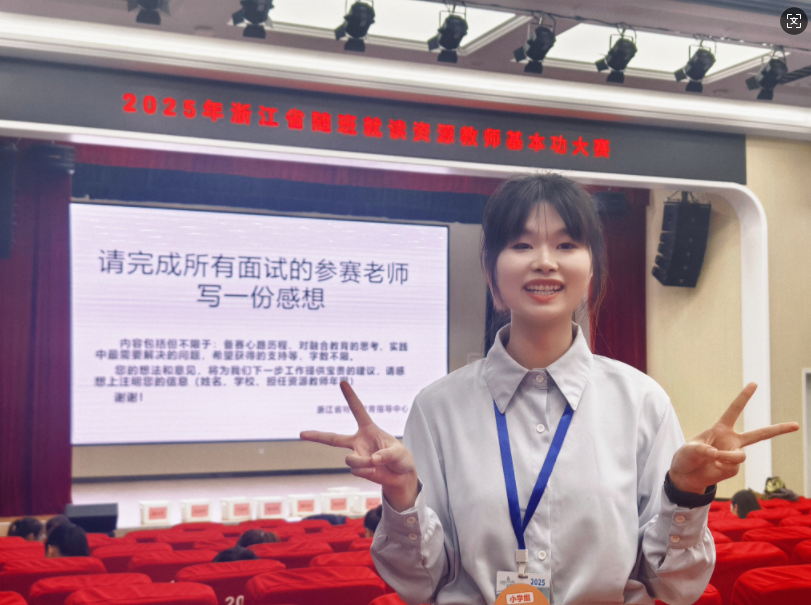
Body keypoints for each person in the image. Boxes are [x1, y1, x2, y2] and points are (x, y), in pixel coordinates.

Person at [301, 173, 799, 605]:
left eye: (565, 245)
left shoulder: (642, 402)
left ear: (591, 271)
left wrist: (686, 494)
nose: (544, 261)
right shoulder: (437, 409)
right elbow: (418, 583)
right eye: (521, 246)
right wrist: (402, 496)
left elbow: (674, 587)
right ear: (492, 276)